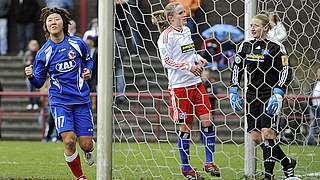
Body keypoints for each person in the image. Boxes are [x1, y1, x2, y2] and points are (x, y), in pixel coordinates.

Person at [152, 2, 220, 179]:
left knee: (207, 120)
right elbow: (167, 61)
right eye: (181, 13)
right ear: (171, 18)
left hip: (196, 84)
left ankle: (209, 162)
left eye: (185, 12)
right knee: (186, 127)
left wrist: (199, 59)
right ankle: (186, 168)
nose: (186, 15)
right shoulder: (165, 37)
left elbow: (188, 53)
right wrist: (187, 67)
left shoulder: (187, 31)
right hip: (180, 88)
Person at [24, 7, 94, 180]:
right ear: (46, 27)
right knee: (69, 141)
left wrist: (88, 71)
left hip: (81, 99)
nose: (53, 22)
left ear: (63, 22)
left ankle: (89, 149)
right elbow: (39, 82)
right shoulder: (43, 53)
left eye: (56, 19)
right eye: (49, 21)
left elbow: (88, 60)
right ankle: (80, 177)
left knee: (86, 144)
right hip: (60, 100)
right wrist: (32, 77)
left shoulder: (77, 43)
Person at [229, 14, 295, 179]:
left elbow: (286, 70)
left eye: (256, 25)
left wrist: (278, 92)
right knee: (257, 137)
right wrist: (233, 88)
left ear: (266, 28)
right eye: (251, 25)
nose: (252, 28)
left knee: (268, 133)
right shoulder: (245, 46)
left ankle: (268, 176)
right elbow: (237, 67)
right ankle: (287, 162)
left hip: (269, 95)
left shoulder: (276, 46)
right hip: (251, 95)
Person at [24, 40, 40, 110]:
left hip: (37, 74)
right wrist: (27, 63)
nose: (33, 47)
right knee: (29, 89)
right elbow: (24, 62)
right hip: (29, 74)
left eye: (35, 45)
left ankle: (36, 103)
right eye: (32, 45)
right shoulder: (27, 53)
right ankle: (30, 103)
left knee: (37, 89)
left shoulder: (39, 53)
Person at [306, 67, 320, 145]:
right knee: (313, 123)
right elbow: (310, 92)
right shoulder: (314, 82)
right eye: (318, 72)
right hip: (314, 106)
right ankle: (310, 141)